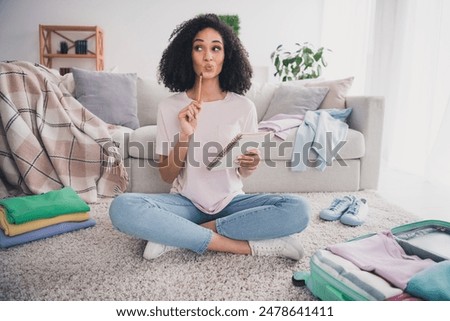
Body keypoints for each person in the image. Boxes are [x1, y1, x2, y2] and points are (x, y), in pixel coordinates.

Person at [109, 14, 310, 260]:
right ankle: (250, 247)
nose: (208, 56)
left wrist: (250, 165)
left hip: (231, 203)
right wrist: (185, 134)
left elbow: (242, 173)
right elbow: (167, 175)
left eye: (216, 48)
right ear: (187, 54)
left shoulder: (244, 107)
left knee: (298, 210)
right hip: (185, 204)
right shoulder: (170, 107)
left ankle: (178, 237)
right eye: (199, 48)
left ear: (227, 56)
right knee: (122, 207)